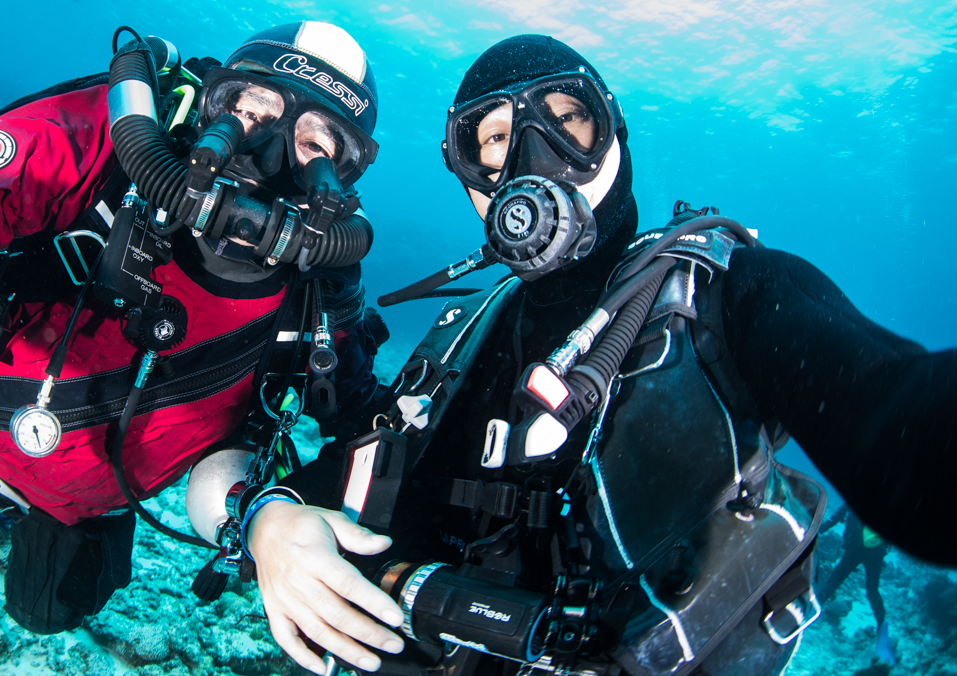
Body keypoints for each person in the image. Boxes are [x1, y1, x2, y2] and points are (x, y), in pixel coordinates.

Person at [240, 34, 957, 676]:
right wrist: (271, 519)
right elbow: (374, 474)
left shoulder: (735, 293)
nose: (530, 160)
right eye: (490, 141)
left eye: (565, 120)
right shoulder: (473, 338)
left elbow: (905, 439)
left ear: (614, 134)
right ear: (466, 178)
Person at [0, 20, 387, 635]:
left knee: (48, 614)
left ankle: (10, 511)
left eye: (316, 147)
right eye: (249, 110)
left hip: (86, 504)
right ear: (209, 102)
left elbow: (353, 407)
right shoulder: (107, 155)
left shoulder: (320, 289)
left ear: (345, 177)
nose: (266, 158)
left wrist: (271, 517)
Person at [818, 504, 895, 667]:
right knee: (873, 591)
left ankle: (809, 612)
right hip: (876, 551)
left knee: (832, 583)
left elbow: (834, 519)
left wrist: (817, 531)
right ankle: (882, 628)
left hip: (856, 549)